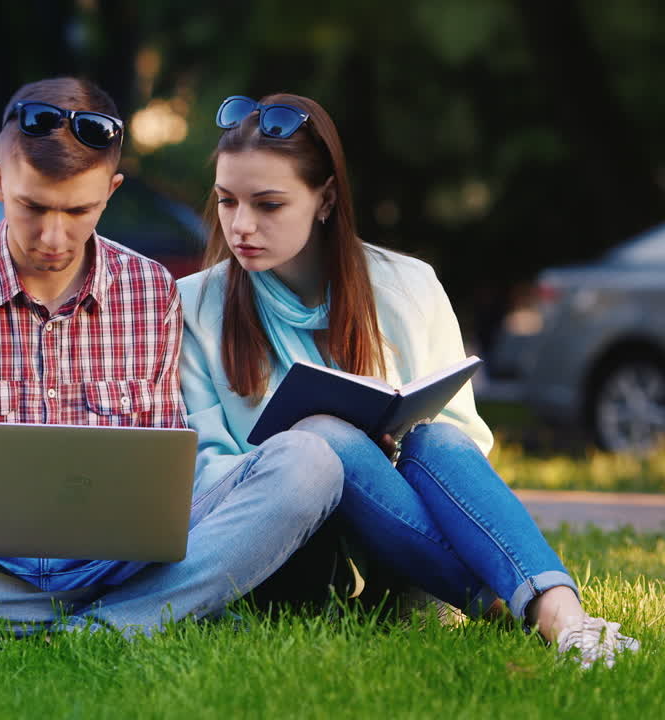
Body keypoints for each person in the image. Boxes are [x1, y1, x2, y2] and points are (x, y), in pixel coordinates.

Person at [0, 78, 344, 637]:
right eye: (33, 207)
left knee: (309, 464)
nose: (54, 236)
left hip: (120, 563)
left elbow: (166, 467)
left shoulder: (150, 290)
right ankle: (133, 620)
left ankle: (47, 625)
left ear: (111, 192)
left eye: (78, 211)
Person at [177, 92, 641, 668]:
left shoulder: (407, 285)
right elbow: (205, 469)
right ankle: (512, 603)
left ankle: (565, 617)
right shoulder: (195, 305)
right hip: (285, 551)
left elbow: (464, 444)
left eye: (268, 205)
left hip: (398, 546)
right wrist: (310, 458)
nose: (241, 225)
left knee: (436, 439)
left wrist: (382, 456)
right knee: (328, 436)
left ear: (324, 201)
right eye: (227, 202)